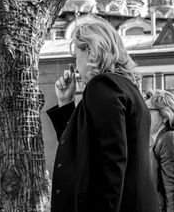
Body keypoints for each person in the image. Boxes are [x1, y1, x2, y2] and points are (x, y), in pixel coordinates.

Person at [46, 18, 160, 212]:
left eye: (76, 55)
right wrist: (66, 102)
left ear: (90, 50)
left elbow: (111, 162)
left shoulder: (102, 87)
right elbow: (84, 146)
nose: (75, 63)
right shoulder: (125, 89)